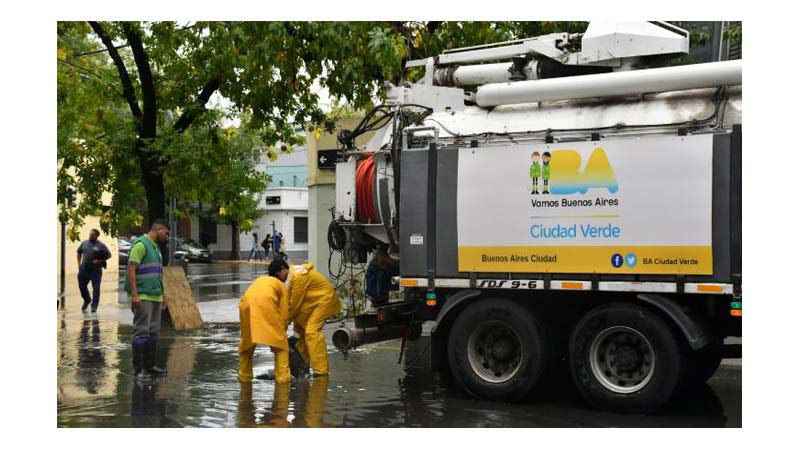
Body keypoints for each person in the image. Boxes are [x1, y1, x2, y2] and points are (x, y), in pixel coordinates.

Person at [125, 219, 170, 379]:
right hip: (143, 295)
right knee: (141, 331)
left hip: (155, 295)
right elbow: (131, 269)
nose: (166, 236)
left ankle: (150, 366)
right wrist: (134, 295)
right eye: (166, 233)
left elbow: (157, 273)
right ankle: (138, 369)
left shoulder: (155, 247)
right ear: (158, 229)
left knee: (153, 331)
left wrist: (163, 295)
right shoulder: (141, 245)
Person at [280, 262, 342, 377]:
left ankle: (321, 371)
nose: (279, 279)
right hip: (314, 302)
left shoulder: (299, 277)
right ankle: (303, 368)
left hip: (324, 300)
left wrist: (283, 325)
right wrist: (295, 326)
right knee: (301, 332)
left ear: (283, 269)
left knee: (311, 332)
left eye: (278, 275)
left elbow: (294, 305)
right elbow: (291, 304)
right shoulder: (292, 277)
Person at [238, 259, 292, 384]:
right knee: (281, 348)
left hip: (245, 307)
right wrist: (281, 334)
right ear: (281, 270)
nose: (287, 275)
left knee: (246, 345)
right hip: (265, 305)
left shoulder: (260, 280)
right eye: (287, 271)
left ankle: (245, 378)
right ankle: (282, 381)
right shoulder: (280, 286)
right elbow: (284, 314)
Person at [76, 229, 112, 312]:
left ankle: (94, 306)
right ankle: (87, 299)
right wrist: (79, 264)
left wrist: (99, 261)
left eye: (93, 235)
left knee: (96, 288)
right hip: (84, 269)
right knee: (82, 286)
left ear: (97, 236)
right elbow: (78, 253)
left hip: (95, 271)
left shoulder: (101, 245)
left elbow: (109, 255)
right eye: (90, 234)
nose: (90, 236)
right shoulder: (84, 243)